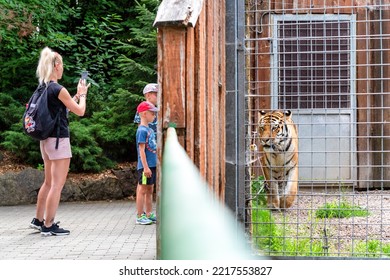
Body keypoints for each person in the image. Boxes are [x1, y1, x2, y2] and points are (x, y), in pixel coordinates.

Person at [29, 46, 90, 236]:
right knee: (57, 184)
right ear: (56, 66)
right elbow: (80, 111)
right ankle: (49, 225)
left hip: (46, 140)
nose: (63, 68)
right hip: (58, 141)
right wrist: (83, 95)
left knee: (48, 182)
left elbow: (62, 109)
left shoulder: (44, 87)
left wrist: (76, 96)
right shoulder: (58, 88)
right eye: (62, 64)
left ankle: (38, 220)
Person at [134, 83, 159, 223]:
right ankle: (140, 215)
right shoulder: (143, 129)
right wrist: (145, 166)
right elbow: (141, 148)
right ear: (148, 94)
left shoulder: (149, 129)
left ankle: (149, 213)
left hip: (152, 160)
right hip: (145, 165)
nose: (154, 116)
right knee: (142, 188)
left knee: (150, 188)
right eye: (155, 94)